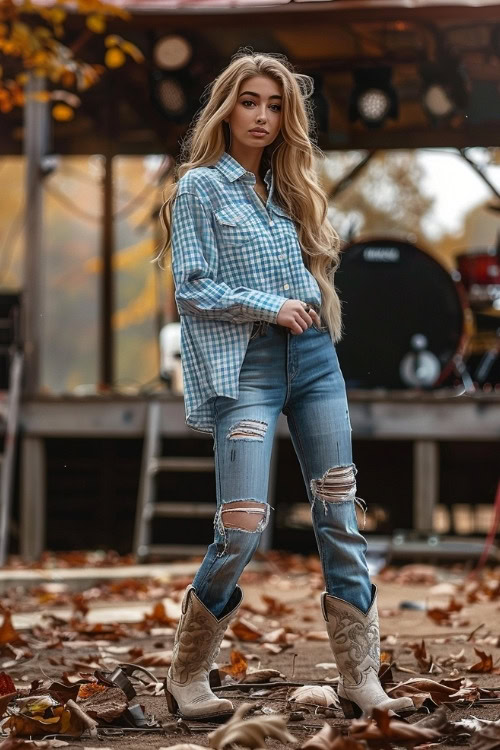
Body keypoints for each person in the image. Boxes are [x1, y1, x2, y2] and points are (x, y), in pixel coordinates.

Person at [156, 50, 415, 722]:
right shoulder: (199, 188)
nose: (263, 116)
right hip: (248, 363)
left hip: (314, 361)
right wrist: (267, 306)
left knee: (339, 513)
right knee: (241, 525)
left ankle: (360, 679)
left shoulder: (289, 186)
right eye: (250, 102)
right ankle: (187, 677)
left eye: (275, 105)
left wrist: (305, 309)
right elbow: (190, 287)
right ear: (227, 106)